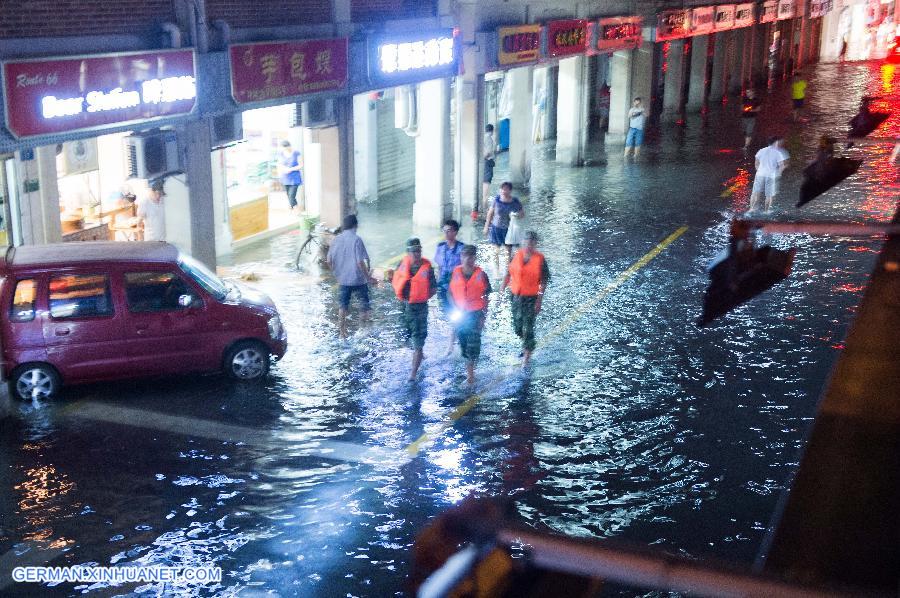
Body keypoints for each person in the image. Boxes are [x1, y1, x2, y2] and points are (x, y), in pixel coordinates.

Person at [500, 231, 549, 368]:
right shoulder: (516, 256)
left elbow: (543, 281)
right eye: (526, 241)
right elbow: (508, 273)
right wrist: (502, 289)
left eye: (532, 242)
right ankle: (527, 344)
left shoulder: (540, 260)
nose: (529, 244)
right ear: (522, 242)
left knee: (528, 327)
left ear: (535, 244)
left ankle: (526, 358)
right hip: (515, 297)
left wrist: (539, 299)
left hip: (531, 298)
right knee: (517, 327)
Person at [326, 214, 378, 339]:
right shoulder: (357, 239)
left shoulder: (336, 239)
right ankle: (362, 330)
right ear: (355, 225)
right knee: (364, 304)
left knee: (343, 306)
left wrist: (336, 273)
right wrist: (368, 278)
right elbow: (360, 262)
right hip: (359, 280)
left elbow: (328, 261)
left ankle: (342, 333)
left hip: (343, 280)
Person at [392, 238, 437, 381]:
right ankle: (420, 352)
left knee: (418, 340)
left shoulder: (427, 267)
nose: (417, 254)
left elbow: (433, 288)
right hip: (404, 306)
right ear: (408, 253)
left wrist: (421, 297)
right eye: (414, 251)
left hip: (419, 308)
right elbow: (395, 280)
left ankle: (413, 374)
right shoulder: (402, 264)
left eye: (419, 250)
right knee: (406, 336)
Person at [448, 244, 491, 385]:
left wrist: (484, 316)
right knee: (464, 344)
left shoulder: (482, 275)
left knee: (473, 345)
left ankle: (471, 376)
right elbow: (449, 292)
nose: (467, 259)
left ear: (474, 257)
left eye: (471, 256)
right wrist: (453, 308)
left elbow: (486, 296)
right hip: (460, 314)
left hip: (475, 314)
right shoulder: (454, 273)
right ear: (461, 257)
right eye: (465, 256)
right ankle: (470, 369)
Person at [434, 219, 465, 354]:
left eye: (449, 231)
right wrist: (437, 285)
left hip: (457, 289)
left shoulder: (462, 249)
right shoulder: (440, 247)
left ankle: (451, 344)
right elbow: (439, 268)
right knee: (449, 314)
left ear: (455, 232)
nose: (446, 234)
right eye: (444, 231)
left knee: (455, 314)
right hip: (443, 288)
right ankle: (457, 333)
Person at [483, 182, 524, 263]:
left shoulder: (515, 201)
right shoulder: (497, 200)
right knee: (496, 251)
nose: (503, 191)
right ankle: (496, 271)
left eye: (506, 189)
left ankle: (507, 270)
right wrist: (486, 227)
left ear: (510, 190)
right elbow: (490, 214)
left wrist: (515, 215)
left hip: (508, 230)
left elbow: (522, 214)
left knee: (508, 251)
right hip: (496, 228)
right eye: (502, 189)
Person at [750, 136, 789, 213]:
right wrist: (779, 173)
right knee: (769, 195)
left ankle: (751, 209)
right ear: (775, 142)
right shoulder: (778, 153)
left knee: (755, 193)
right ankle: (766, 211)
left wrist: (760, 171)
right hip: (771, 176)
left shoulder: (761, 151)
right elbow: (781, 166)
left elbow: (756, 163)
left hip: (760, 174)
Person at [277, 140, 303, 212]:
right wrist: (283, 169)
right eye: (283, 148)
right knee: (288, 195)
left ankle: (296, 209)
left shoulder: (296, 153)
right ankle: (292, 208)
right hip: (285, 177)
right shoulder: (281, 153)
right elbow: (279, 164)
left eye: (286, 148)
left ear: (289, 146)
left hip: (294, 178)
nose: (284, 150)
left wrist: (290, 169)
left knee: (292, 195)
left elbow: (301, 165)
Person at [481, 124, 497, 215]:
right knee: (486, 187)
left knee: (484, 186)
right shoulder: (489, 139)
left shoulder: (482, 138)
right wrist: (484, 159)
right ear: (492, 131)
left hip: (483, 164)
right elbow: (487, 153)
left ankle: (483, 207)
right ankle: (485, 209)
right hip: (487, 164)